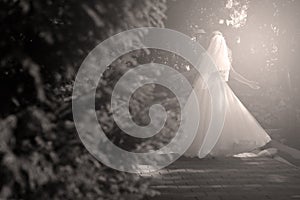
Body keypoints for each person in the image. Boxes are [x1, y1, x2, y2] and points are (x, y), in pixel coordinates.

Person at [184, 31, 271, 158]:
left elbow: (194, 71)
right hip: (220, 90)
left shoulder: (205, 56)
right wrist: (249, 83)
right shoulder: (225, 58)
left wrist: (179, 75)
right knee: (219, 118)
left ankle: (207, 147)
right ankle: (213, 147)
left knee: (205, 118)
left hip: (206, 91)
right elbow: (234, 75)